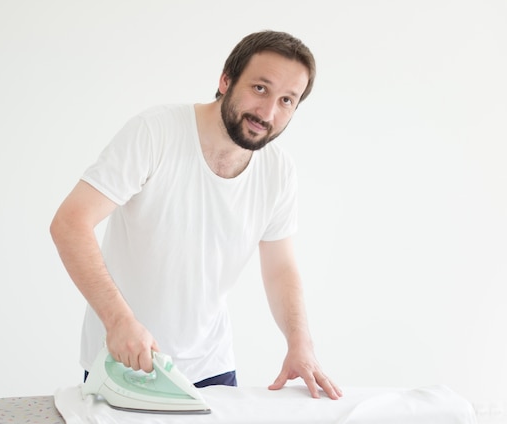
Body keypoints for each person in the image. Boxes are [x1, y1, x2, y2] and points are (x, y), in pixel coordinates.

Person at [50, 30, 342, 401]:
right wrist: (119, 321)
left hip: (212, 366)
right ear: (225, 80)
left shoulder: (278, 171)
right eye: (260, 88)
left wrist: (300, 342)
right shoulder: (155, 133)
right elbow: (70, 223)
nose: (267, 113)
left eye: (287, 100)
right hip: (127, 360)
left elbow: (280, 267)